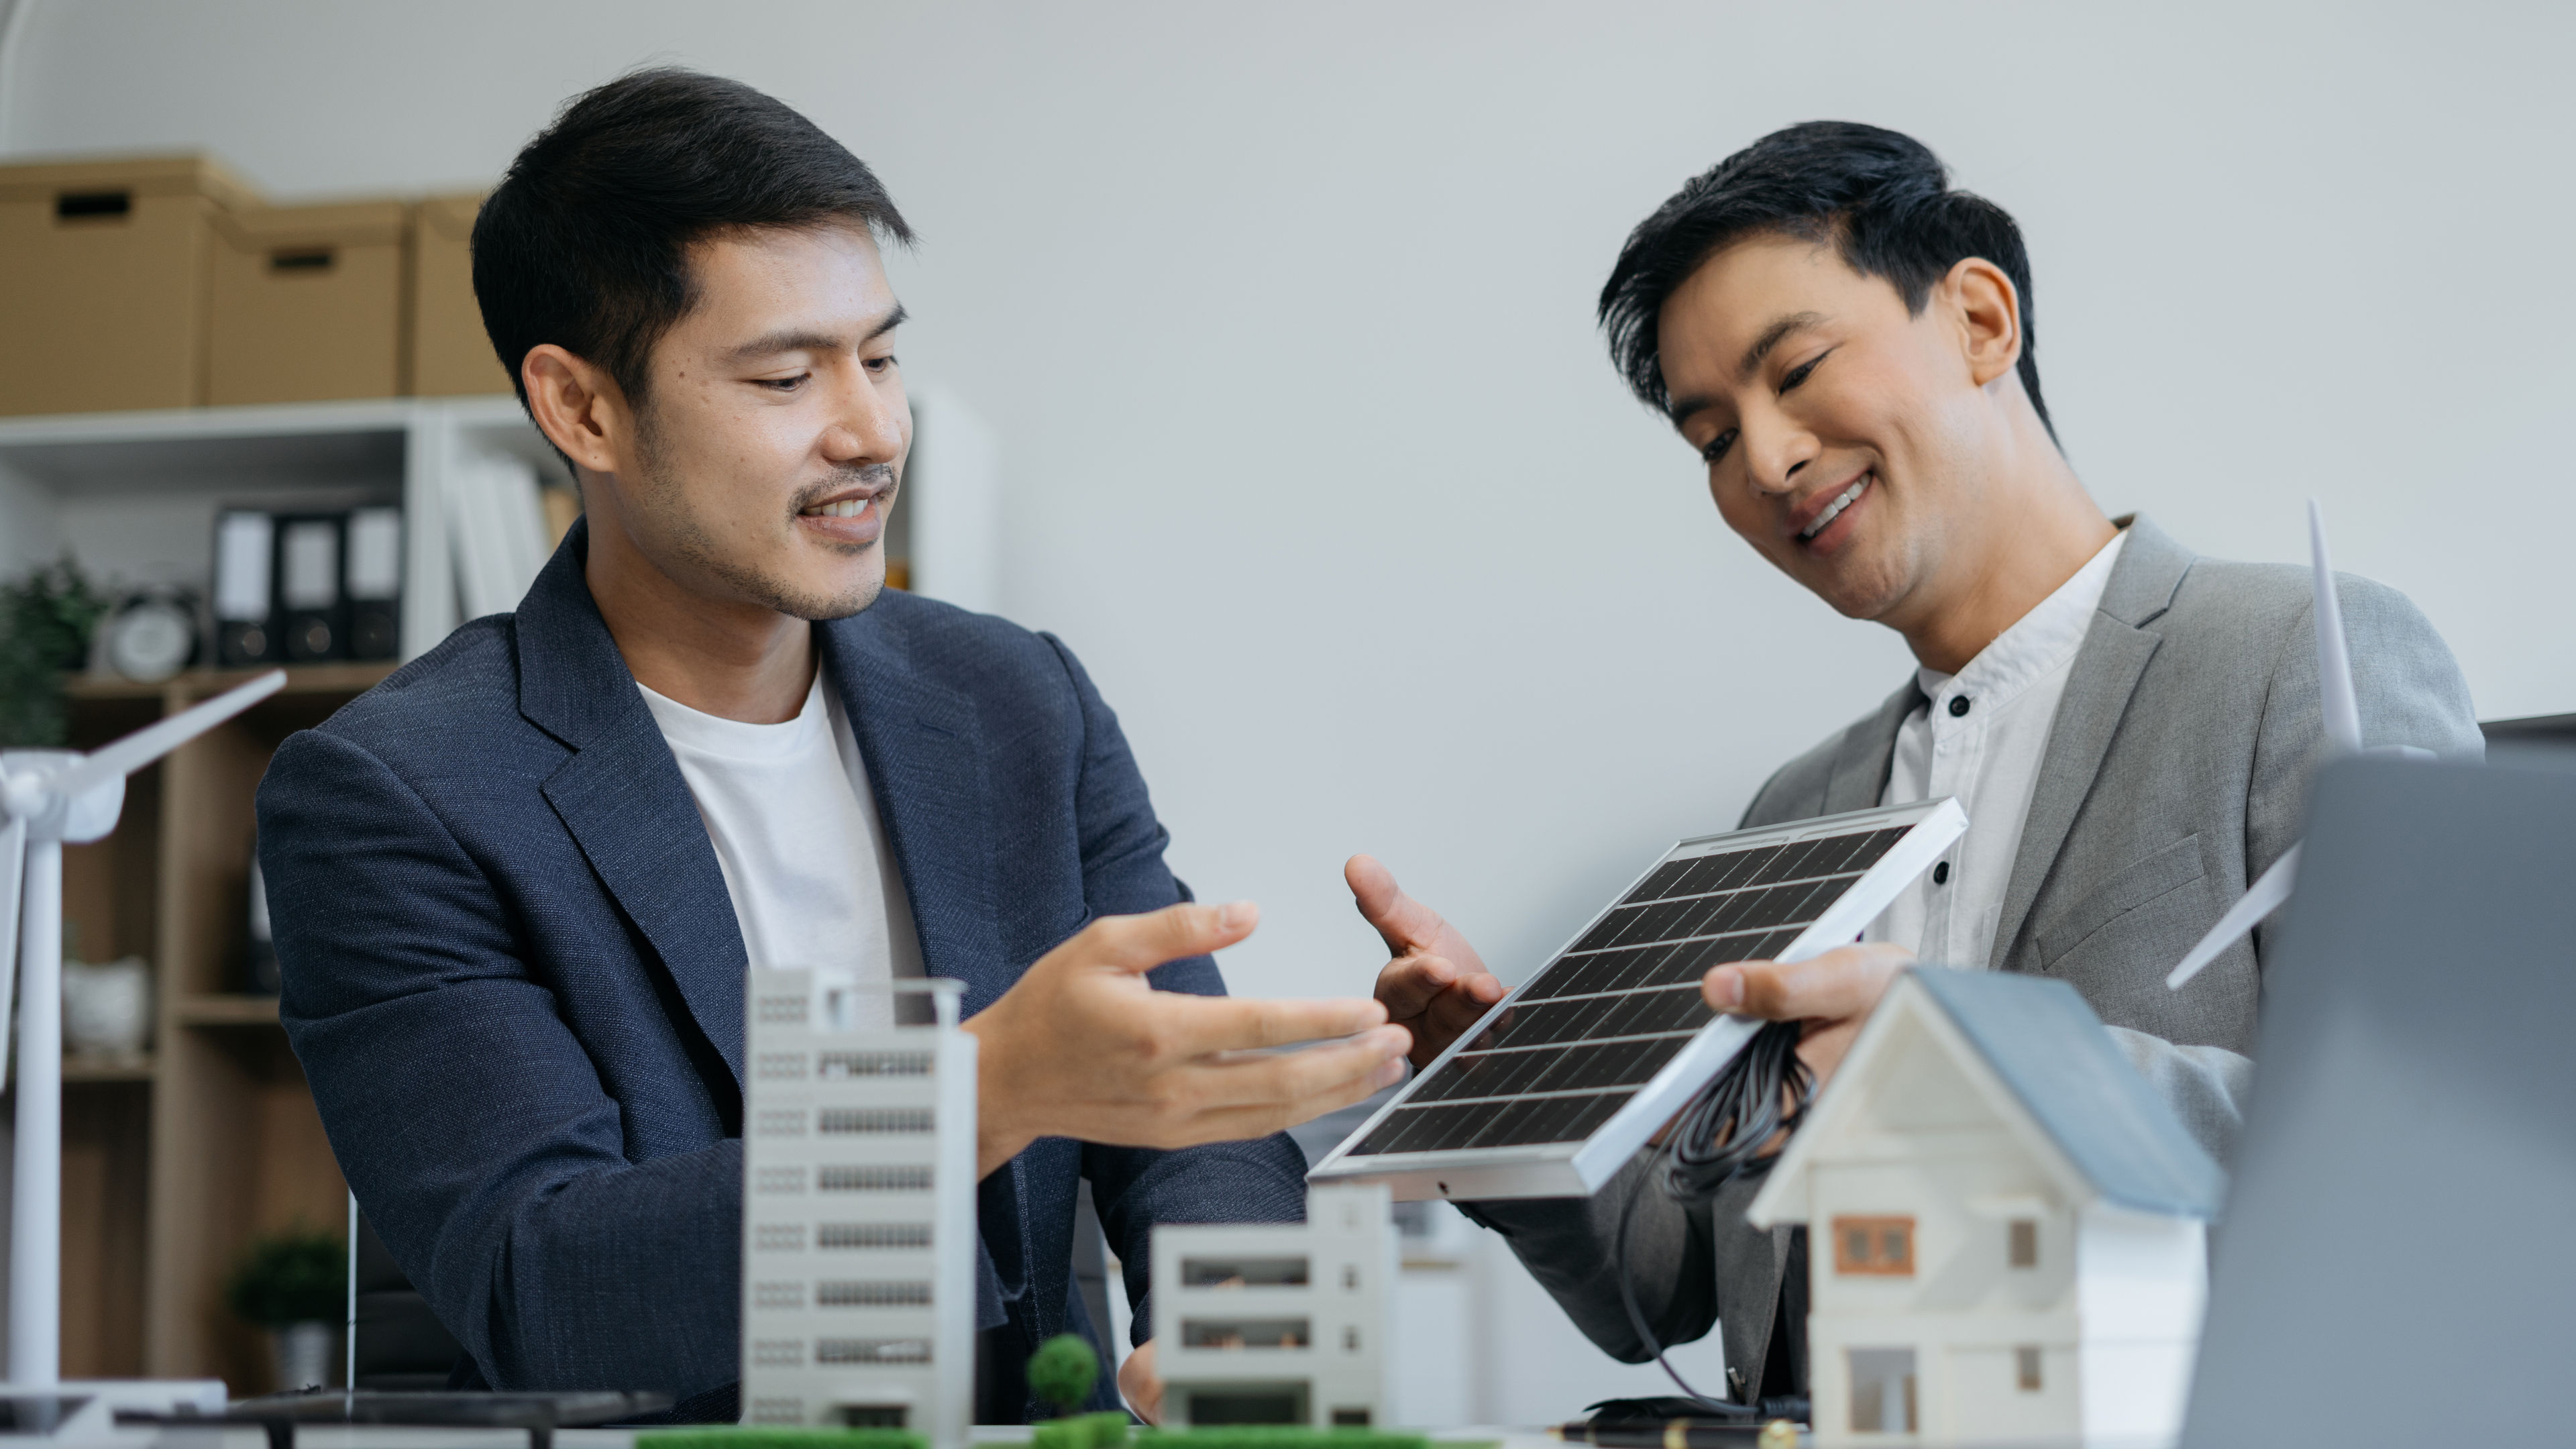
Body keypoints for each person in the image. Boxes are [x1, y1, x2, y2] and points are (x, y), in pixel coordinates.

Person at [256, 69, 1409, 1424]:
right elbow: (540, 1281)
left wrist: (1236, 1331)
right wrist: (978, 1097)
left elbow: (1185, 1107)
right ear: (581, 410)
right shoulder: (399, 794)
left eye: (882, 354)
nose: (870, 430)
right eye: (787, 376)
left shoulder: (1014, 698)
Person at [1348, 121, 2480, 1409]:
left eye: (1799, 369)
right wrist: (1507, 1095)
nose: (1766, 461)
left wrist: (1977, 1059)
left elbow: (2432, 1151)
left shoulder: (2293, 658)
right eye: (1712, 439)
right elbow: (1667, 1286)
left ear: (1981, 320)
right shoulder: (1792, 811)